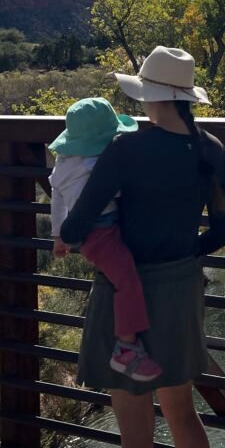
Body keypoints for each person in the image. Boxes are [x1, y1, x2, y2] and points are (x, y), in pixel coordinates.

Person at [60, 47, 225, 448]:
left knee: (135, 433)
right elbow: (223, 232)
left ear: (148, 93)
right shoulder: (213, 150)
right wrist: (180, 261)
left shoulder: (125, 152)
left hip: (124, 296)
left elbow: (77, 226)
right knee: (183, 414)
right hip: (181, 289)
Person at [49, 97, 162, 382]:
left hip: (89, 234)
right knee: (127, 280)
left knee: (120, 277)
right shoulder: (94, 164)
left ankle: (126, 342)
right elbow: (113, 192)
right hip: (101, 233)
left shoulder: (63, 164)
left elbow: (58, 200)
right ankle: (126, 347)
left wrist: (58, 236)